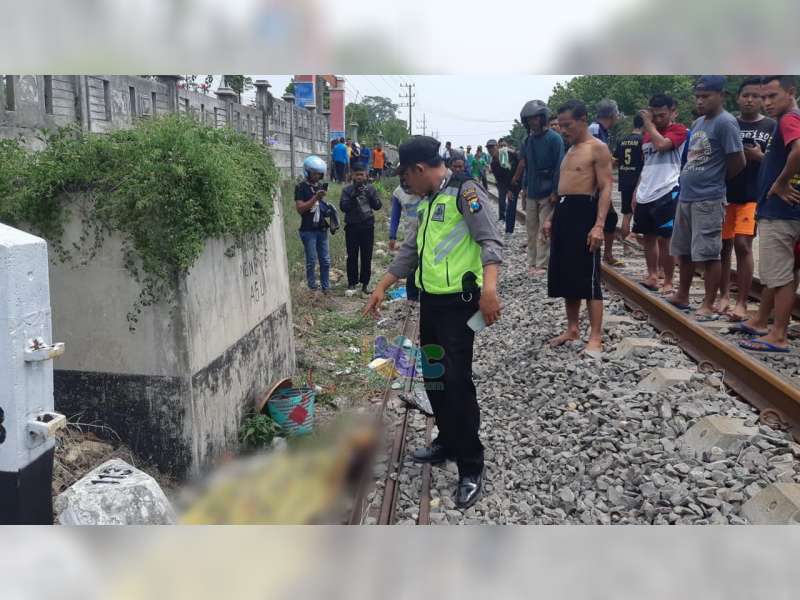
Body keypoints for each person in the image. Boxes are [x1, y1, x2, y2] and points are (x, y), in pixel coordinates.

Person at [363, 136, 503, 509]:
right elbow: (411, 250)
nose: (405, 183)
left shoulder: (466, 193)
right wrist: (382, 286)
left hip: (461, 307)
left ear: (419, 169)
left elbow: (490, 241)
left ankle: (471, 465)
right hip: (432, 304)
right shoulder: (428, 201)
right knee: (436, 377)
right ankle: (447, 441)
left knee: (458, 382)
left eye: (406, 175)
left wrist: (490, 292)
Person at [666, 75, 745, 320]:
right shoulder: (699, 122)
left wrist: (715, 180)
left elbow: (738, 161)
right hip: (687, 196)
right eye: (697, 97)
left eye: (706, 96)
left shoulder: (726, 122)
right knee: (684, 250)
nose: (700, 101)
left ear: (721, 95)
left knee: (709, 252)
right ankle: (682, 294)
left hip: (708, 198)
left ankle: (709, 303)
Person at [544, 100, 613, 357]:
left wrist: (598, 225)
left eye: (567, 125)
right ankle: (572, 329)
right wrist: (552, 216)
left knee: (588, 277)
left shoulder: (598, 148)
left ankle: (595, 336)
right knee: (566, 274)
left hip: (585, 212)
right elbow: (564, 188)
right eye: (560, 125)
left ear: (583, 120)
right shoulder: (569, 150)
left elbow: (606, 186)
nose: (563, 130)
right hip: (564, 211)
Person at [738, 75, 800, 353]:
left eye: (772, 96)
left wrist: (781, 181)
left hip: (780, 213)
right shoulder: (790, 120)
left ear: (791, 92)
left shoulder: (788, 119)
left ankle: (777, 335)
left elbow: (799, 150)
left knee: (779, 275)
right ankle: (762, 320)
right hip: (789, 212)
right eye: (763, 97)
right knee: (787, 270)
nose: (766, 102)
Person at [717, 77, 776, 321]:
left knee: (743, 244)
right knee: (723, 247)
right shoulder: (728, 123)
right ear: (738, 98)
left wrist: (759, 157)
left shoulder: (772, 126)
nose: (750, 100)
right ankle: (723, 295)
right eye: (746, 95)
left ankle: (741, 301)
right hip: (724, 193)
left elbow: (778, 163)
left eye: (756, 96)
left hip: (753, 196)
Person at [631, 94, 688, 294]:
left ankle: (669, 280)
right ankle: (653, 274)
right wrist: (636, 190)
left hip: (667, 189)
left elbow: (663, 145)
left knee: (666, 239)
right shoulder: (646, 136)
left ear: (674, 112)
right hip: (646, 191)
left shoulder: (679, 130)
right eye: (653, 115)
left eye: (662, 115)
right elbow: (646, 164)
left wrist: (648, 124)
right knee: (648, 237)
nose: (657, 119)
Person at [511, 99, 565, 276]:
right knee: (531, 229)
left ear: (543, 118)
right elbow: (527, 166)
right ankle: (532, 262)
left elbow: (559, 166)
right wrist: (524, 190)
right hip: (533, 190)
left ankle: (542, 264)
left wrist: (555, 191)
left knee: (544, 229)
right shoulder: (527, 140)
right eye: (528, 120)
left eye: (535, 118)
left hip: (548, 191)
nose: (532, 122)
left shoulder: (554, 139)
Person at [296, 156, 338, 294]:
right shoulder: (301, 187)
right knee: (311, 260)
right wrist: (315, 198)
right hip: (308, 229)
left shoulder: (319, 186)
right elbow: (301, 208)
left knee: (325, 261)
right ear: (307, 172)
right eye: (314, 173)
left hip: (321, 228)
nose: (317, 176)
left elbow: (318, 208)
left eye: (319, 174)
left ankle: (326, 288)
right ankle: (312, 287)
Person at [589, 99, 623, 267]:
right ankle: (603, 254)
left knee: (609, 218)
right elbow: (595, 153)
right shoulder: (595, 129)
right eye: (617, 113)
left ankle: (606, 254)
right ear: (611, 114)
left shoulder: (602, 130)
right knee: (607, 218)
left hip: (599, 182)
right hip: (593, 184)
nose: (617, 116)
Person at [339, 163, 382, 294]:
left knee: (366, 256)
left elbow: (378, 206)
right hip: (352, 227)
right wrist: (353, 196)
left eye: (361, 174)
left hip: (367, 227)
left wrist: (370, 195)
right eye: (356, 174)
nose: (359, 177)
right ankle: (352, 283)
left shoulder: (371, 189)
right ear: (352, 175)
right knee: (352, 256)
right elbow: (343, 207)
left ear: (366, 175)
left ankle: (365, 284)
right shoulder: (347, 190)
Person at [388, 183, 423, 302]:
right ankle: (412, 301)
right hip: (411, 237)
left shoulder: (424, 187)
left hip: (429, 237)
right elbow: (395, 215)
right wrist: (392, 236)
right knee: (412, 269)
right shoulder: (399, 193)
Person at [615, 113, 645, 244]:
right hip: (638, 181)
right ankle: (634, 240)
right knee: (639, 213)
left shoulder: (622, 140)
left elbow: (615, 160)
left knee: (626, 214)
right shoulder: (643, 141)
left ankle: (626, 248)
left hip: (624, 180)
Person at [487, 138, 521, 233]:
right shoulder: (493, 164)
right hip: (507, 183)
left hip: (518, 179)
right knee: (506, 202)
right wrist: (507, 189)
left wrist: (511, 189)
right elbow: (501, 179)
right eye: (488, 148)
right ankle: (508, 229)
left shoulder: (507, 154)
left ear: (497, 147)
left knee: (511, 204)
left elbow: (518, 163)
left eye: (492, 147)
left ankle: (509, 230)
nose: (490, 150)